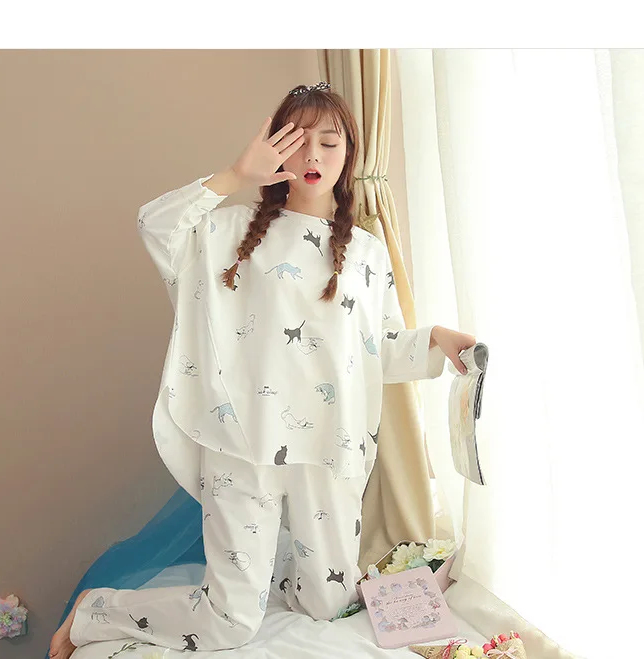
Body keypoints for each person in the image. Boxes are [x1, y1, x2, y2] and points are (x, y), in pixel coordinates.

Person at [49, 81, 476, 658]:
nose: (313, 156)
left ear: (348, 155)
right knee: (229, 625)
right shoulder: (229, 232)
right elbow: (155, 224)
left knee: (328, 602)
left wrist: (438, 341)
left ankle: (271, 573)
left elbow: (383, 351)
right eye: (298, 142)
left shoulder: (368, 254)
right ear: (275, 149)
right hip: (244, 439)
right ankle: (98, 610)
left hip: (330, 446)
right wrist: (235, 174)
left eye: (329, 143)